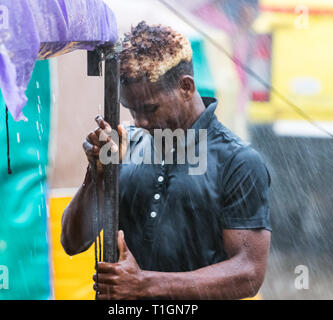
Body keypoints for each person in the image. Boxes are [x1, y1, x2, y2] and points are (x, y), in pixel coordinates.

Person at [61, 21, 271, 300]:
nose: (140, 121)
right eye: (131, 110)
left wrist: (144, 284)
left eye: (149, 108)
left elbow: (248, 272)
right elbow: (73, 242)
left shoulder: (238, 161)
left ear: (186, 87)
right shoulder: (127, 145)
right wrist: (96, 176)